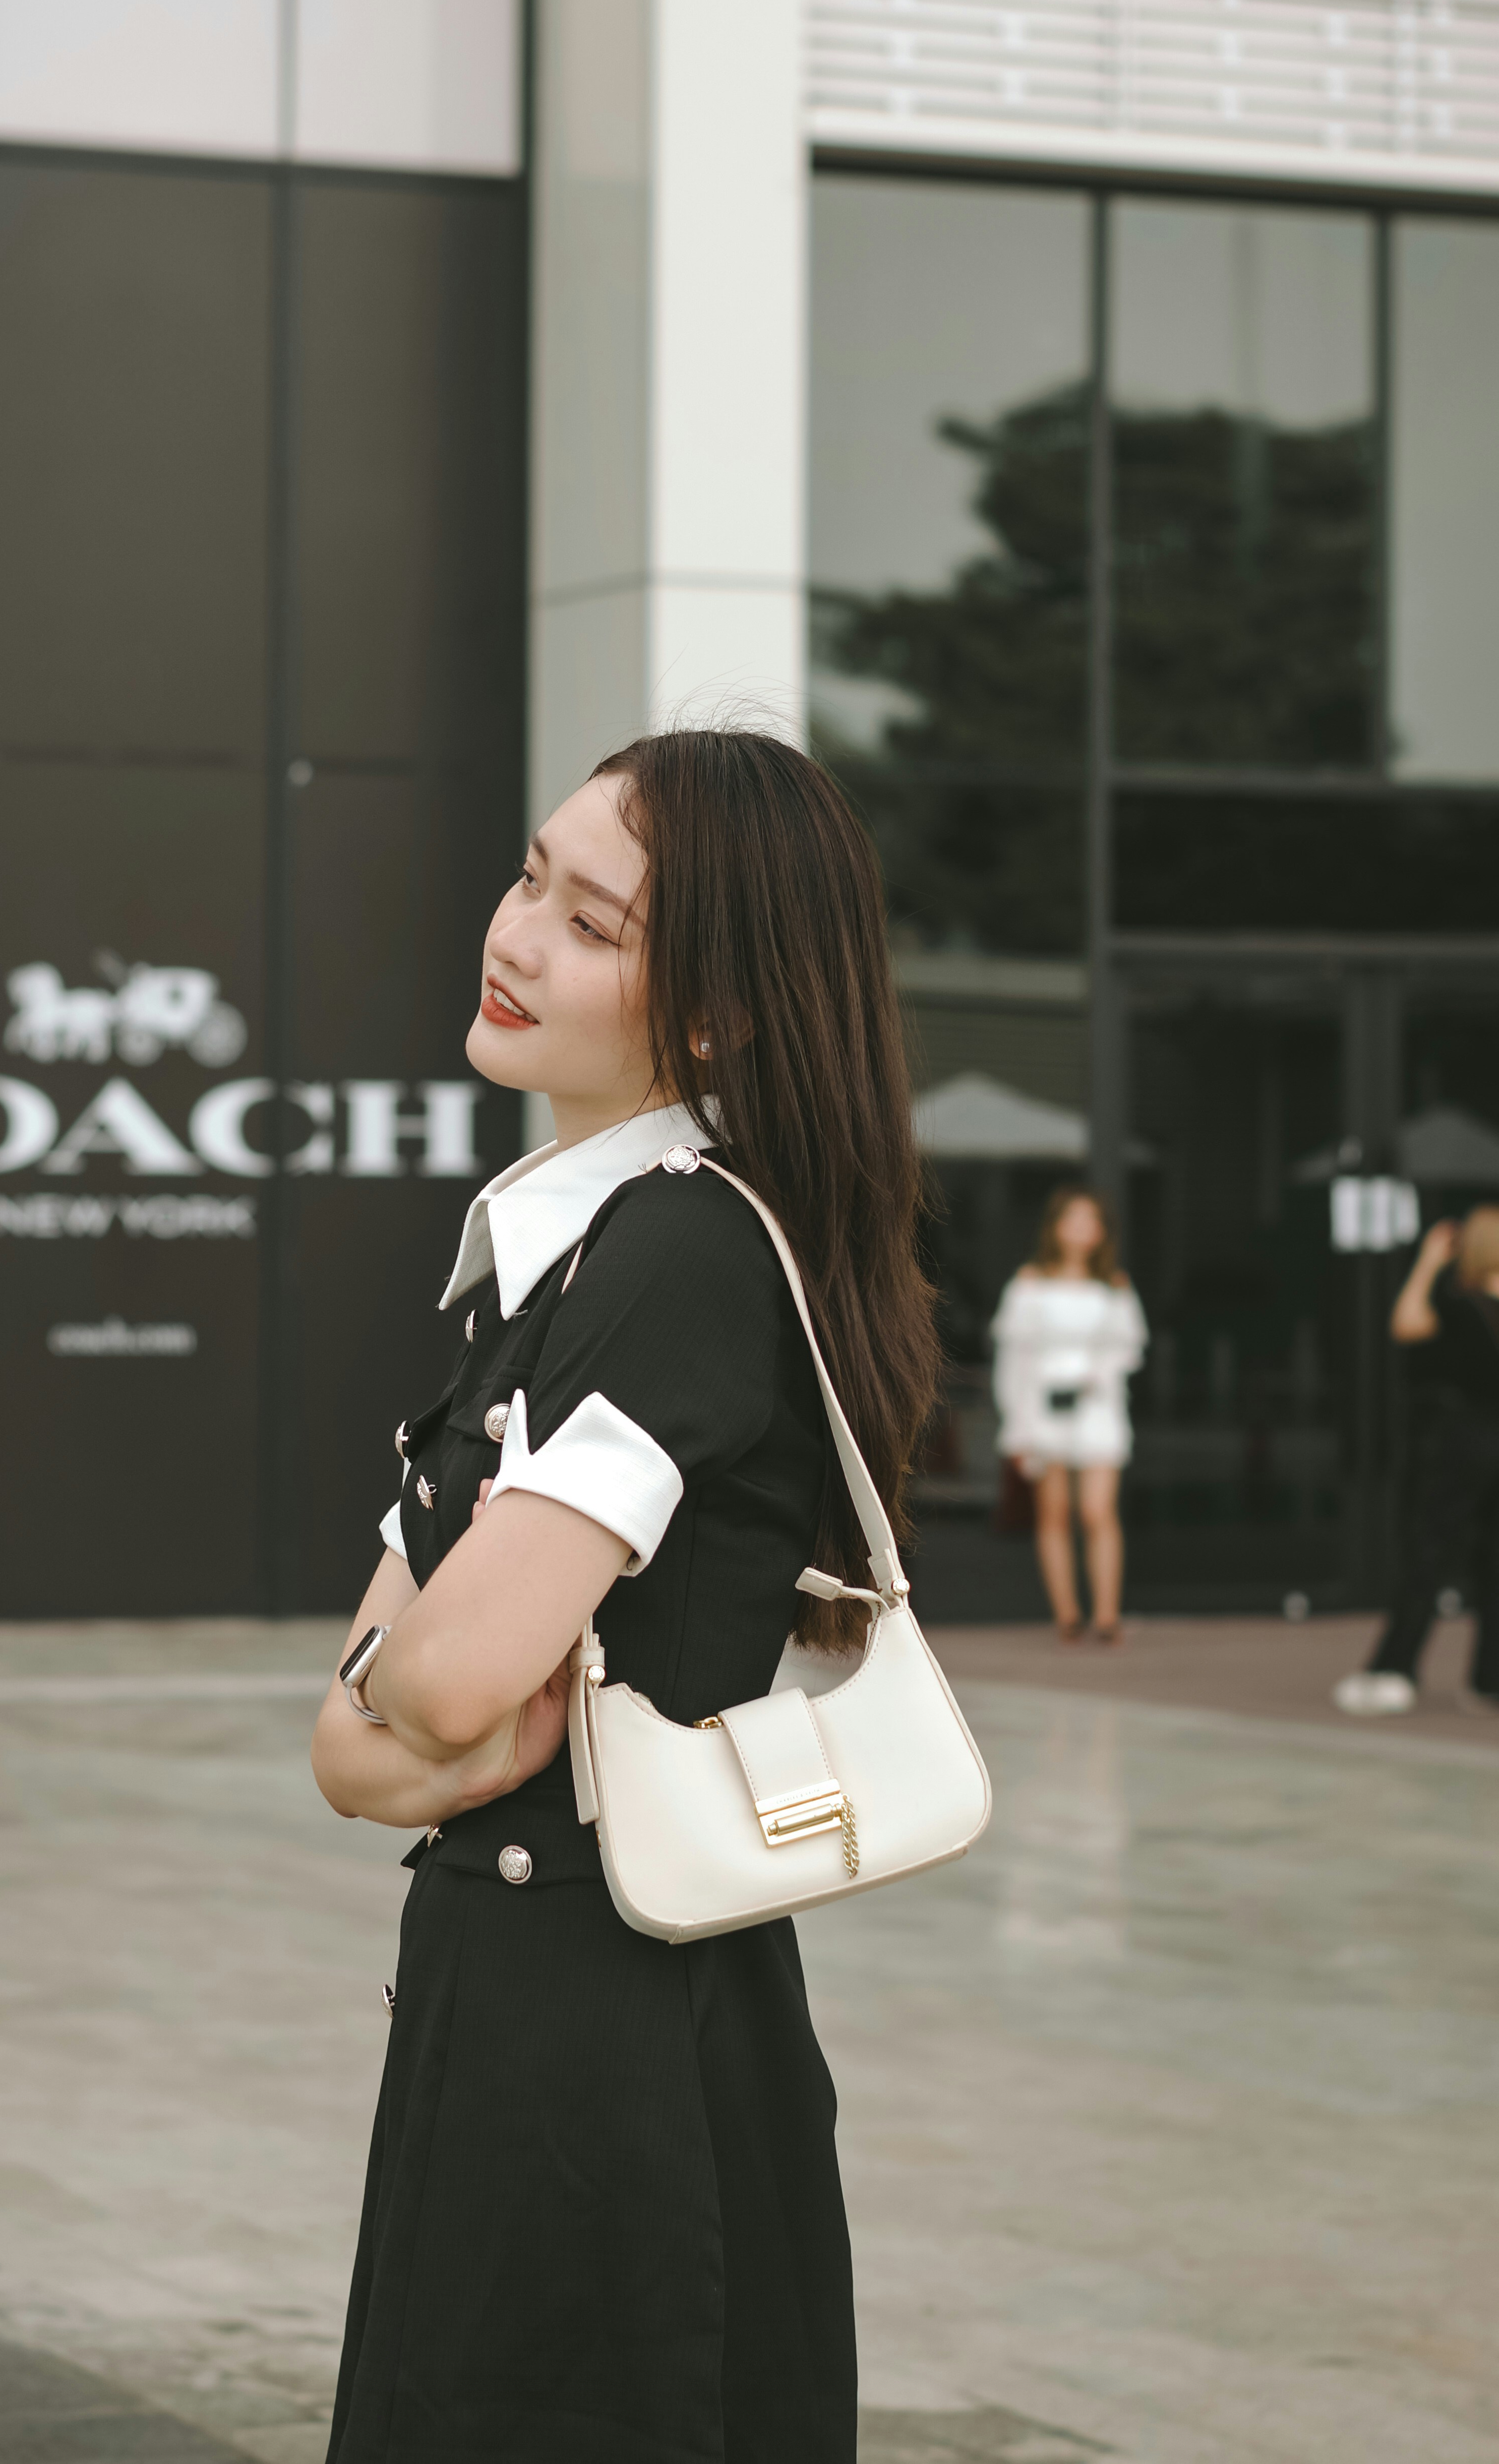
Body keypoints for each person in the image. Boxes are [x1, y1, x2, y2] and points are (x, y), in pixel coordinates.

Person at [310, 730, 938, 2464]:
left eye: (590, 925)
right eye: (531, 878)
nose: (515, 938)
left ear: (720, 1017)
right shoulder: (556, 1254)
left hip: (612, 2052)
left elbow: (437, 1689)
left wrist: (398, 1699)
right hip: (529, 2009)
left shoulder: (679, 1255)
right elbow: (358, 1740)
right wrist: (396, 1702)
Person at [1335, 1207, 1499, 1718]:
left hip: (1466, 1440)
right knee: (1444, 1553)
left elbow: (1405, 1324)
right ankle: (1415, 1669)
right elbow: (1408, 1327)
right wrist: (1429, 1266)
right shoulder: (1460, 1305)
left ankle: (1403, 1669)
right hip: (1468, 1440)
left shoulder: (1459, 1303)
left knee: (1443, 1553)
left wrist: (1428, 1262)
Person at [989, 1189, 1147, 1645]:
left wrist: (1095, 1375)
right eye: (1073, 1219)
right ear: (1056, 1227)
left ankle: (1107, 1614)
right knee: (1053, 1514)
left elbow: (1128, 1349)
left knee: (1098, 1511)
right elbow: (1013, 1361)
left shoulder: (1114, 1285)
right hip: (1043, 1407)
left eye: (1091, 1220)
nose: (1082, 1229)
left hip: (1098, 1407)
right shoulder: (1029, 1283)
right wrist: (1017, 1428)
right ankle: (1068, 1614)